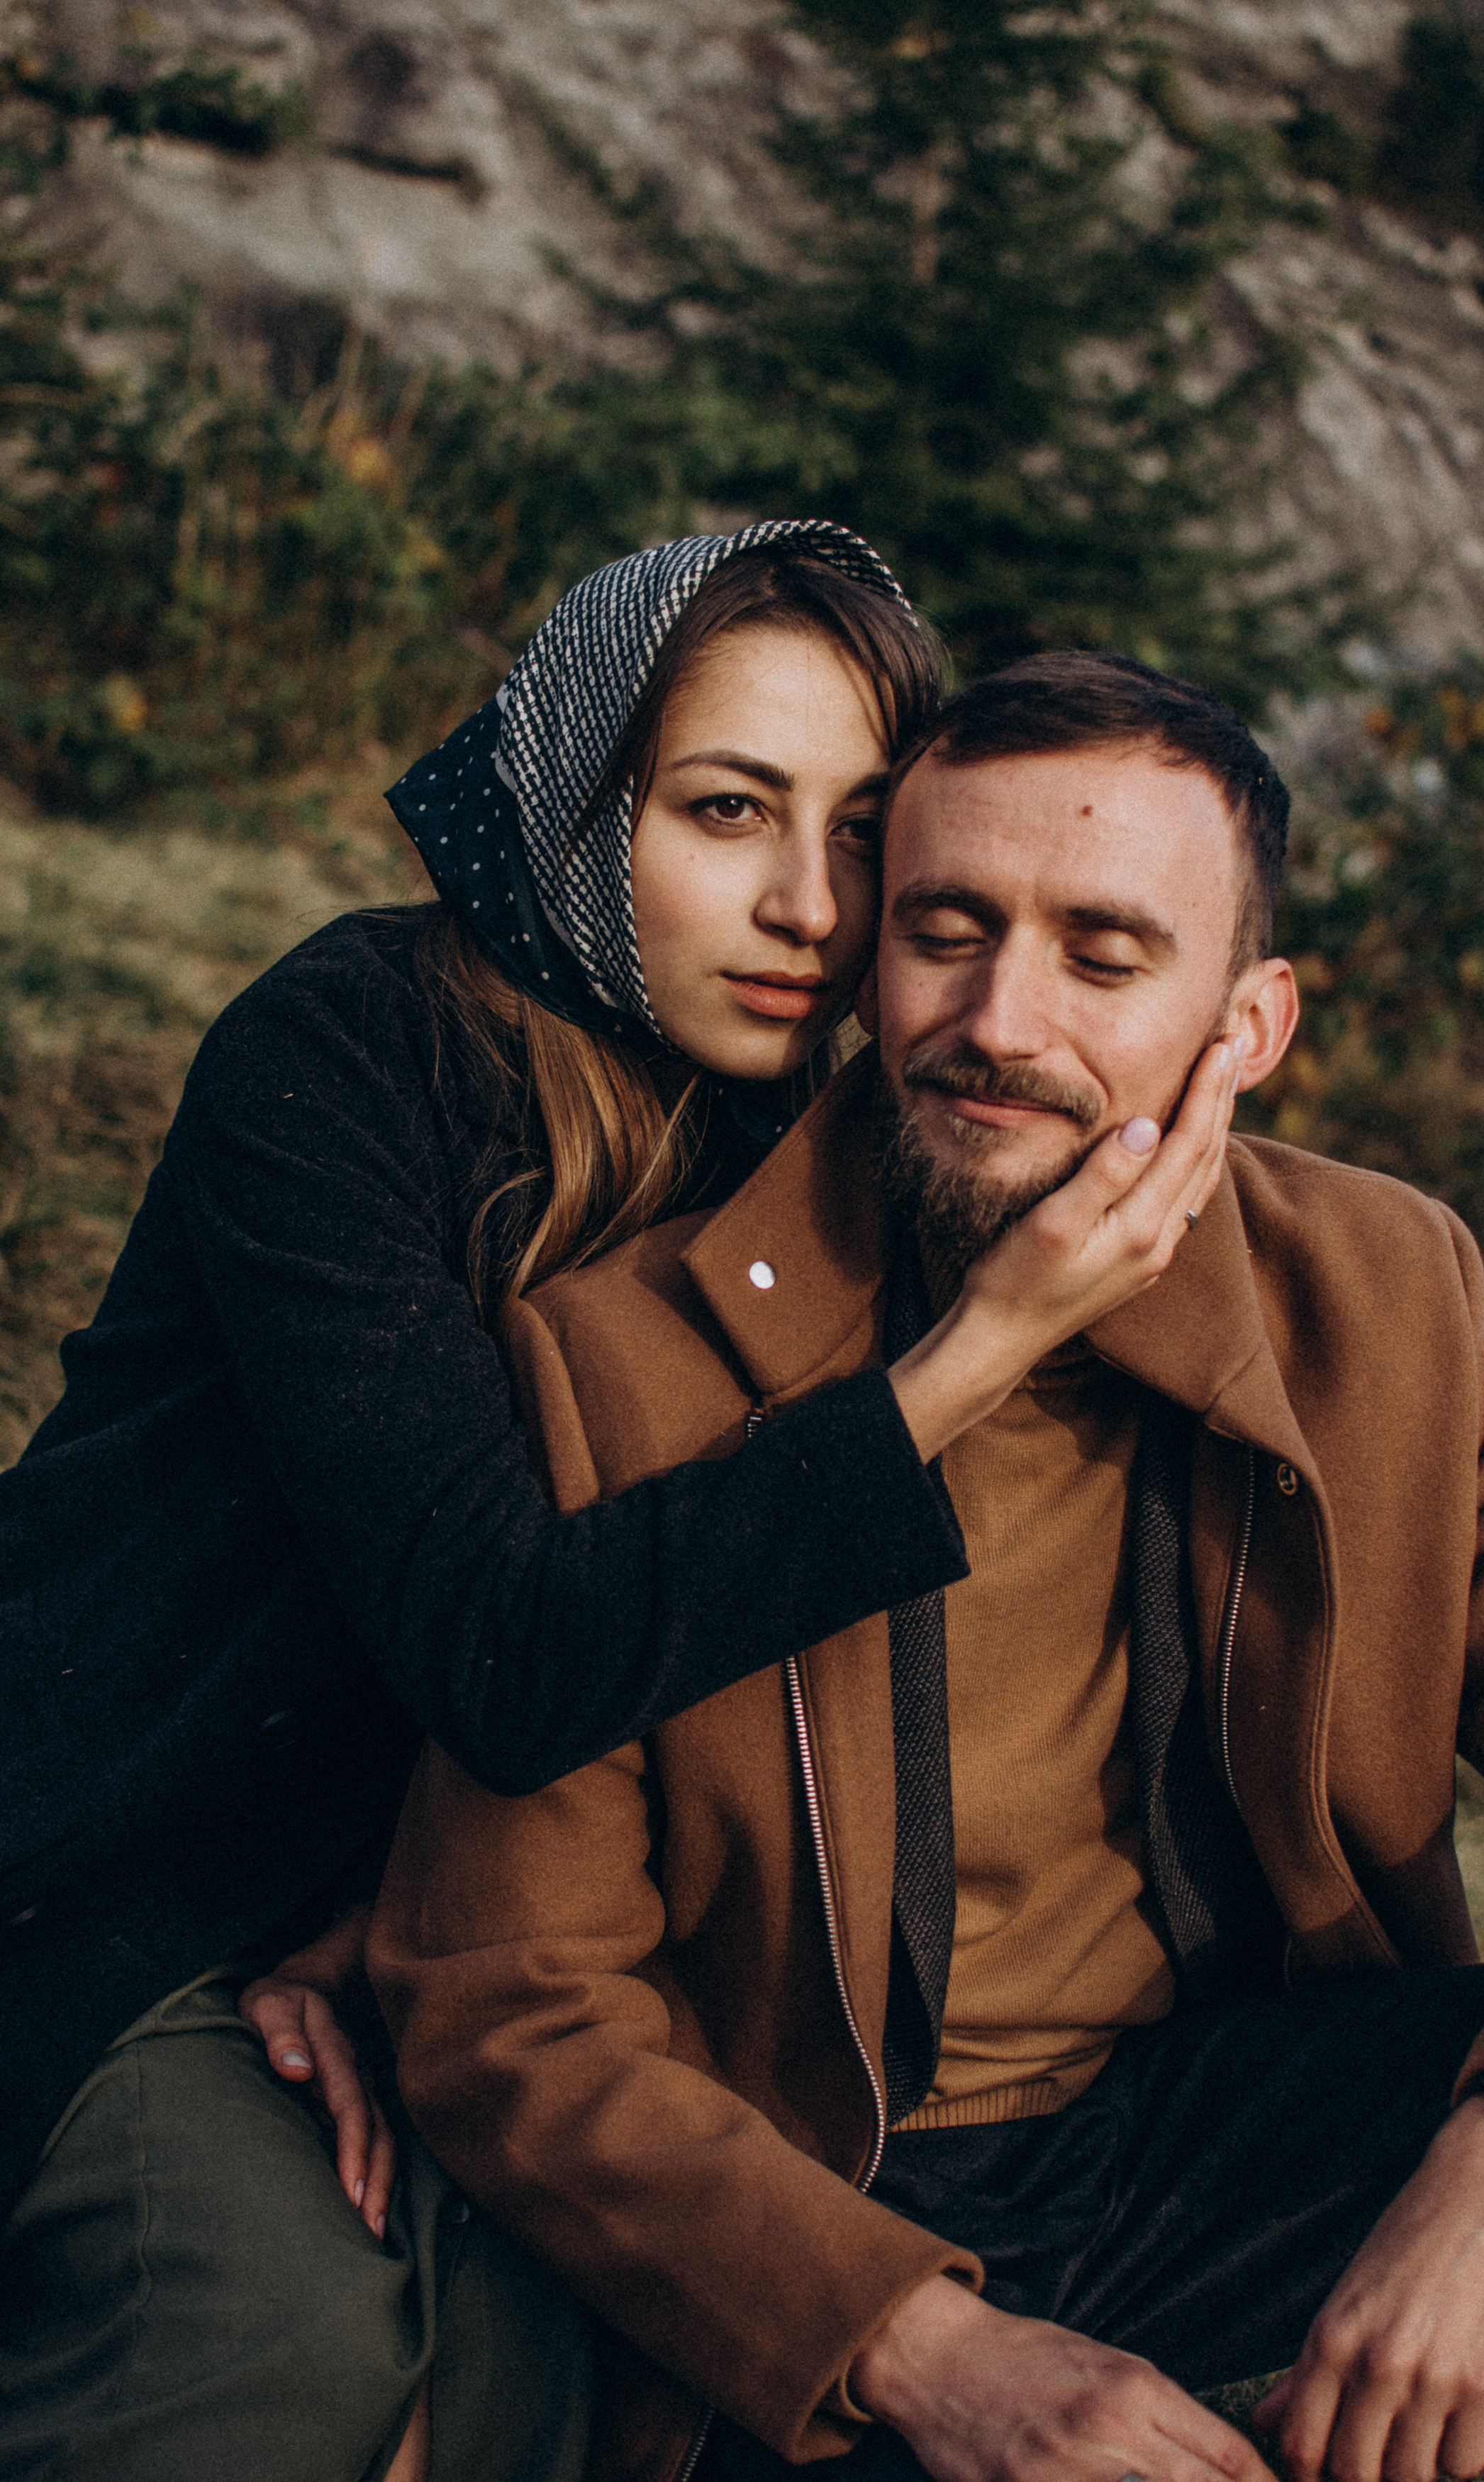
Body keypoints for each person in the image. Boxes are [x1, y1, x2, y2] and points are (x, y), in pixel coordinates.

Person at [0, 540, 1221, 2482]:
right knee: (287, 2345)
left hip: (448, 1927)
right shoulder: (353, 1052)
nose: (809, 906)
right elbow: (509, 1636)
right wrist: (972, 1357)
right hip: (126, 1882)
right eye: (727, 809)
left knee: (550, 2381)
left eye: (861, 832)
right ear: (579, 802)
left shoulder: (835, 1145)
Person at [372, 650, 1484, 2482]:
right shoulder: (617, 1361)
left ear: (1250, 1022)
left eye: (1106, 955)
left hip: (1232, 2128)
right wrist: (932, 2351)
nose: (1000, 1019)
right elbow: (508, 1995)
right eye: (947, 928)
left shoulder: (1376, 1292)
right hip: (823, 2213)